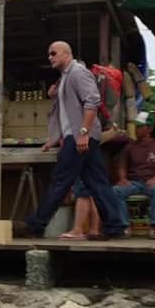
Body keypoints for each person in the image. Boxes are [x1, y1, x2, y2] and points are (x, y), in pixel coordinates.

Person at [25, 41, 126, 239]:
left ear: (66, 54)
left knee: (61, 180)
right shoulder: (65, 77)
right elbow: (67, 113)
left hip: (79, 136)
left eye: (53, 53)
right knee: (97, 182)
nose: (50, 57)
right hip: (80, 136)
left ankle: (36, 224)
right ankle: (115, 226)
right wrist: (55, 137)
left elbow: (92, 101)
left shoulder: (78, 73)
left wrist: (83, 132)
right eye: (49, 54)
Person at [114, 111, 155, 238]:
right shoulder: (130, 146)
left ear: (149, 129)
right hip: (133, 182)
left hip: (151, 182)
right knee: (116, 191)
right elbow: (122, 166)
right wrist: (122, 178)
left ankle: (154, 226)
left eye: (140, 127)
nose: (137, 129)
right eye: (136, 126)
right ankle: (125, 226)